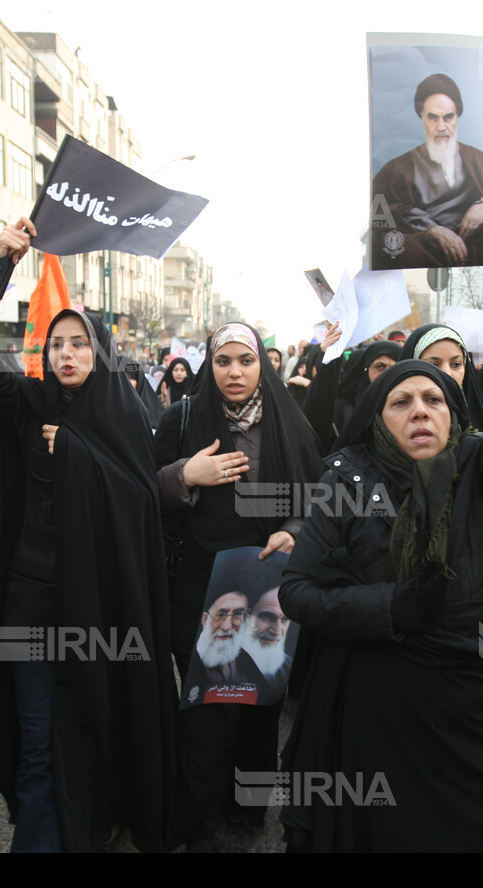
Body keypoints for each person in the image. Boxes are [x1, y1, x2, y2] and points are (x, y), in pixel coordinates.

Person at [277, 226, 483, 851]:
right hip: (379, 710)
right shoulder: (346, 478)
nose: (420, 409)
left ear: (456, 413)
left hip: (473, 706)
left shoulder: (481, 468)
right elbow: (299, 591)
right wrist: (390, 609)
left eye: (434, 397)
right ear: (377, 417)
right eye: (400, 401)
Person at [0, 218, 177, 852]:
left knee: (90, 730)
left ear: (100, 352)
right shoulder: (28, 404)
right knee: (36, 743)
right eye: (58, 344)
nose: (67, 354)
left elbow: (140, 501)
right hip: (31, 602)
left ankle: (93, 825)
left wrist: (77, 453)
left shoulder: (124, 415)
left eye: (80, 344)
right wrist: (1, 265)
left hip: (100, 607)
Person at [154, 320, 321, 841]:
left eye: (246, 361)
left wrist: (293, 531)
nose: (234, 372)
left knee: (258, 705)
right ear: (210, 365)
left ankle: (245, 810)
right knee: (209, 709)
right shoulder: (182, 419)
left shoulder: (290, 424)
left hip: (269, 589)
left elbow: (318, 499)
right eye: (223, 361)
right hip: (199, 589)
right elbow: (141, 493)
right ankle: (200, 819)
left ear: (262, 366)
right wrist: (185, 475)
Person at [371, 73, 483, 270]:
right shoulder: (396, 169)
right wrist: (433, 230)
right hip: (427, 249)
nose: (441, 127)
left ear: (457, 117)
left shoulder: (477, 159)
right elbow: (383, 212)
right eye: (433, 118)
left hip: (474, 247)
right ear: (421, 116)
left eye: (448, 117)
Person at [399, 325, 483, 434]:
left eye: (456, 364)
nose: (447, 374)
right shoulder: (393, 422)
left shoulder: (480, 382)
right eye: (434, 365)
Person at [191, 590, 261, 698]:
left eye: (237, 615)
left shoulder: (246, 661)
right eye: (221, 615)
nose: (227, 626)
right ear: (205, 620)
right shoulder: (193, 659)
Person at [243, 587, 292, 701]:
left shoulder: (287, 667)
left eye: (284, 620)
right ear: (247, 615)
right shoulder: (221, 666)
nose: (277, 631)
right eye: (268, 617)